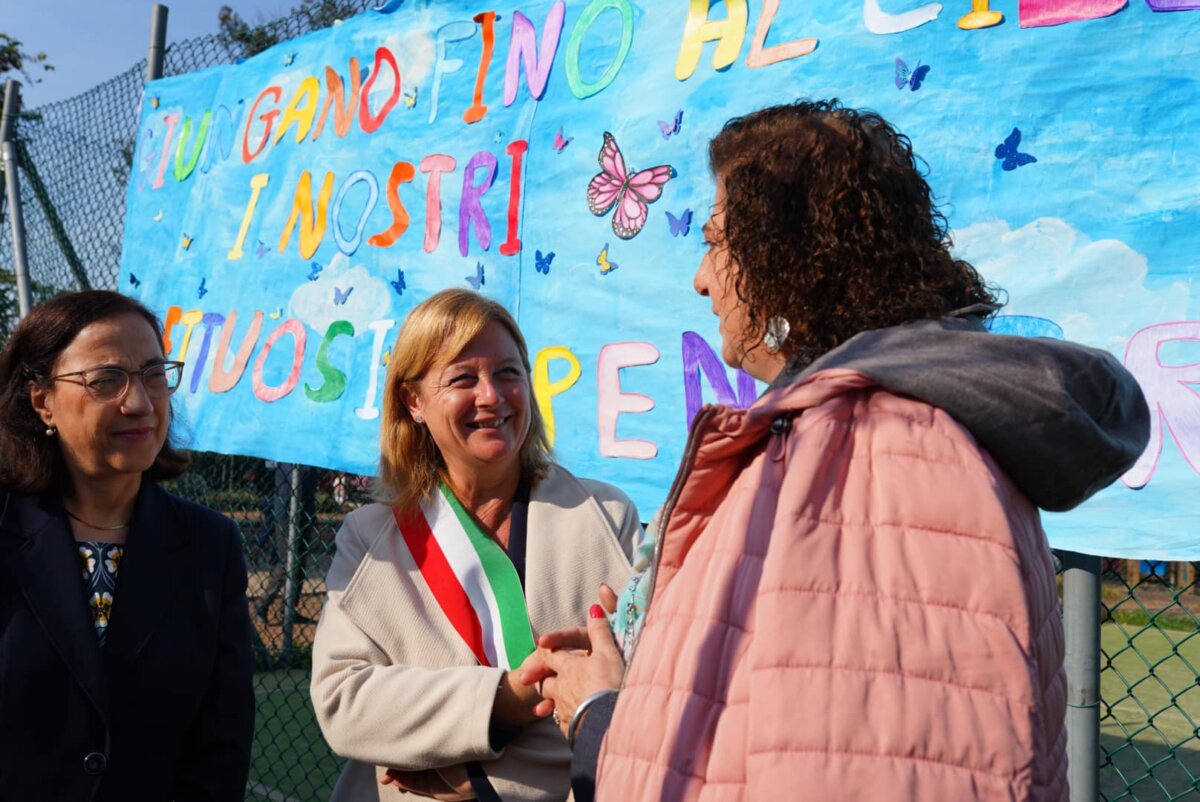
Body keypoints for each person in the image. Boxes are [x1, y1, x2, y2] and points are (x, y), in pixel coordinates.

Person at [521, 99, 1150, 801]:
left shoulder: (880, 455)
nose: (701, 279)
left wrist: (600, 717)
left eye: (716, 241)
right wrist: (653, 653)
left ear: (784, 260)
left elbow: (862, 772)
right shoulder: (832, 439)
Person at [310, 289, 640, 801]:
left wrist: (481, 780)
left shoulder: (607, 516)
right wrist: (507, 699)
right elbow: (345, 703)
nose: (492, 395)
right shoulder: (370, 539)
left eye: (508, 373)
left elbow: (644, 698)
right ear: (412, 401)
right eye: (463, 378)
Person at [0, 290, 255, 801]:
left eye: (154, 374)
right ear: (42, 401)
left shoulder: (211, 545)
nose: (139, 402)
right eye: (105, 379)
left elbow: (222, 745)